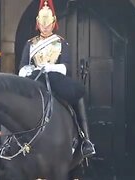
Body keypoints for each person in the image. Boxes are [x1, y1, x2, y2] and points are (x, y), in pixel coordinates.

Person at [18, 0, 95, 158]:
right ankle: (11, 141)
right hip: (35, 80)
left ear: (53, 23)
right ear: (38, 23)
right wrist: (30, 69)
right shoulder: (30, 44)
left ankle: (86, 140)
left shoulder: (61, 43)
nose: (45, 27)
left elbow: (66, 67)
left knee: (77, 95)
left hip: (56, 80)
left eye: (48, 23)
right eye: (42, 23)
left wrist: (50, 67)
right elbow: (21, 68)